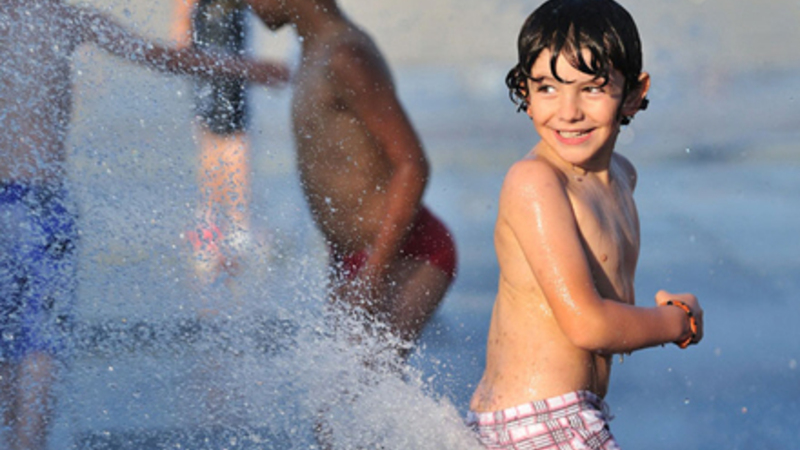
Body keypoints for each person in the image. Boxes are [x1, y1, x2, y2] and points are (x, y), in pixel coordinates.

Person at [0, 2, 287, 448]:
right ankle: (28, 442)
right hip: (44, 205)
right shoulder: (63, 18)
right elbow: (161, 57)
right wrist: (245, 68)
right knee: (42, 340)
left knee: (7, 337)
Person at [468, 1, 704, 448]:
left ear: (633, 93)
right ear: (524, 90)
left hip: (564, 416)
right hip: (538, 421)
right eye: (547, 88)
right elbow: (588, 325)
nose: (569, 111)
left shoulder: (622, 176)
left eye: (592, 89)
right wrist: (678, 321)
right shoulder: (535, 182)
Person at [245, 0, 457, 358]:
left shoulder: (345, 57)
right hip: (354, 259)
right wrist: (341, 265)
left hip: (405, 252)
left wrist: (374, 275)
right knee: (342, 389)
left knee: (365, 380)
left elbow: (412, 165)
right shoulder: (313, 54)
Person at [172, 0, 257, 283]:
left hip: (213, 29)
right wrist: (181, 25)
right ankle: (233, 226)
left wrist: (182, 28)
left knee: (215, 132)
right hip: (218, 28)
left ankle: (212, 225)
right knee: (230, 136)